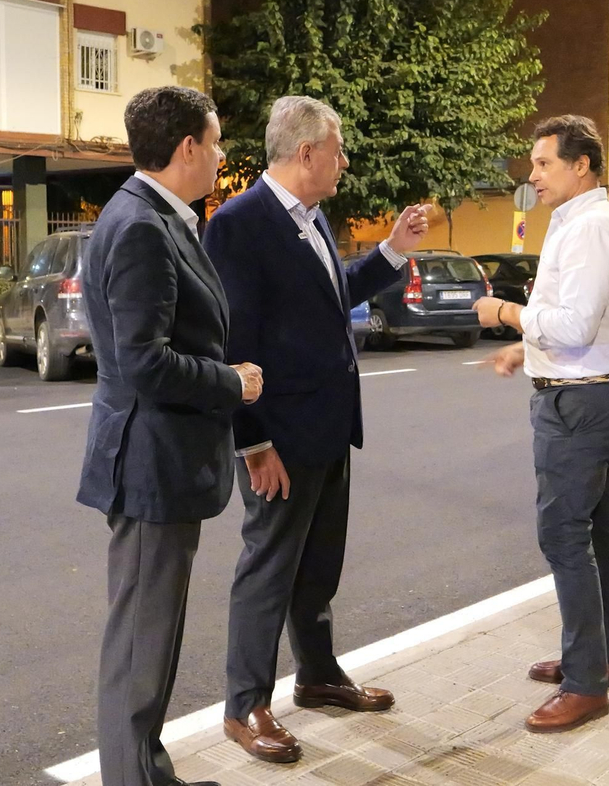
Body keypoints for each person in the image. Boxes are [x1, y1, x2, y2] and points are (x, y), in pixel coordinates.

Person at [205, 95, 431, 764]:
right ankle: (245, 705)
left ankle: (318, 674)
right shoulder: (241, 224)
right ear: (307, 153)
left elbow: (334, 294)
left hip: (329, 427)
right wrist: (252, 442)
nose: (345, 161)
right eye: (338, 150)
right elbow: (232, 343)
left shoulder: (310, 216)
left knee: (318, 567)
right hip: (280, 434)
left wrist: (392, 250)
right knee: (268, 570)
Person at [77, 86, 264, 786]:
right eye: (215, 143)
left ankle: (146, 773)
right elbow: (143, 361)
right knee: (139, 645)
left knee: (151, 640)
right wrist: (232, 383)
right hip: (150, 465)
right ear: (188, 147)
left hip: (164, 461)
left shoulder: (157, 217)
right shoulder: (141, 227)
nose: (219, 156)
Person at [474, 115, 609, 734]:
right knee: (596, 529)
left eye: (544, 163)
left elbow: (573, 326)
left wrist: (503, 313)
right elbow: (571, 321)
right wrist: (530, 349)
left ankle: (586, 685)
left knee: (563, 534)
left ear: (582, 166)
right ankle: (597, 659)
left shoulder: (593, 229)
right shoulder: (577, 223)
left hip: (580, 404)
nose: (532, 174)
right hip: (582, 388)